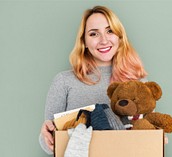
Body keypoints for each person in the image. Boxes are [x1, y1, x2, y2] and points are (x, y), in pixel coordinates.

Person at [39, 5, 148, 155]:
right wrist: (46, 136)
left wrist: (159, 136)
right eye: (94, 34)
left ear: (119, 37)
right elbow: (51, 143)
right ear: (84, 41)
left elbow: (148, 131)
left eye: (110, 31)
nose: (104, 40)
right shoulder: (63, 82)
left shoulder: (137, 83)